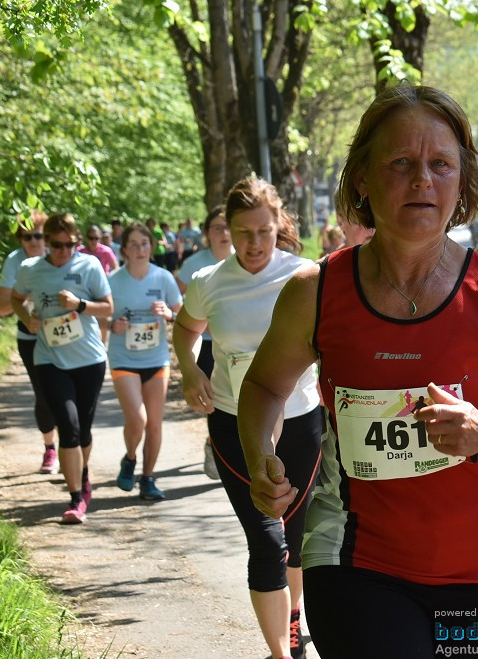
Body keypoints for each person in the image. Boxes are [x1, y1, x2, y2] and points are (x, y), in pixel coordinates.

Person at [237, 85, 478, 658]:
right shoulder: (316, 293)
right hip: (355, 562)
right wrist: (258, 456)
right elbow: (265, 385)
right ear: (363, 177)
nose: (423, 179)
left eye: (441, 164)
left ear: (462, 181)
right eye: (401, 163)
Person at [172, 179, 321, 659]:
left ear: (280, 226)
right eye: (243, 233)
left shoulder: (307, 276)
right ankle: (280, 653)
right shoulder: (209, 282)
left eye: (264, 231)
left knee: (296, 542)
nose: (255, 244)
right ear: (226, 231)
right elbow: (186, 327)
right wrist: (190, 367)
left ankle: (292, 625)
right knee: (266, 541)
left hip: (300, 421)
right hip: (236, 424)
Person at [11, 213, 113, 524]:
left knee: (82, 430)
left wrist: (79, 305)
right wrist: (27, 317)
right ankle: (75, 498)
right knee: (68, 428)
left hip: (89, 360)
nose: (63, 251)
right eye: (56, 245)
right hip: (50, 359)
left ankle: (82, 476)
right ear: (47, 243)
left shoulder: (89, 265)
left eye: (70, 245)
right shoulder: (31, 269)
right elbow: (16, 299)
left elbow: (108, 307)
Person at [108, 222, 183, 501]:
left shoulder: (163, 278)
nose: (140, 249)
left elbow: (182, 313)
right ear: (124, 249)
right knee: (137, 420)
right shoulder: (113, 280)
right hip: (123, 358)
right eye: (134, 245)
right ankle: (129, 459)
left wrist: (169, 314)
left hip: (156, 358)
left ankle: (148, 478)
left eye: (145, 244)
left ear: (152, 246)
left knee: (154, 423)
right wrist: (112, 324)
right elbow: (100, 315)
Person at [0, 210, 58, 474]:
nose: (33, 242)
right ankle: (50, 448)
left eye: (39, 236)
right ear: (20, 239)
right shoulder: (15, 261)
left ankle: (71, 446)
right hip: (30, 338)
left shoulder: (59, 255)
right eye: (27, 237)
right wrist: (24, 299)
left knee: (66, 393)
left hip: (64, 336)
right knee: (43, 394)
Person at [175, 205, 235, 481]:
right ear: (206, 233)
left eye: (227, 226)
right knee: (216, 399)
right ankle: (215, 445)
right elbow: (179, 293)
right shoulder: (195, 264)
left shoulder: (245, 259)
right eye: (217, 228)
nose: (224, 233)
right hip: (208, 342)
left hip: (239, 345)